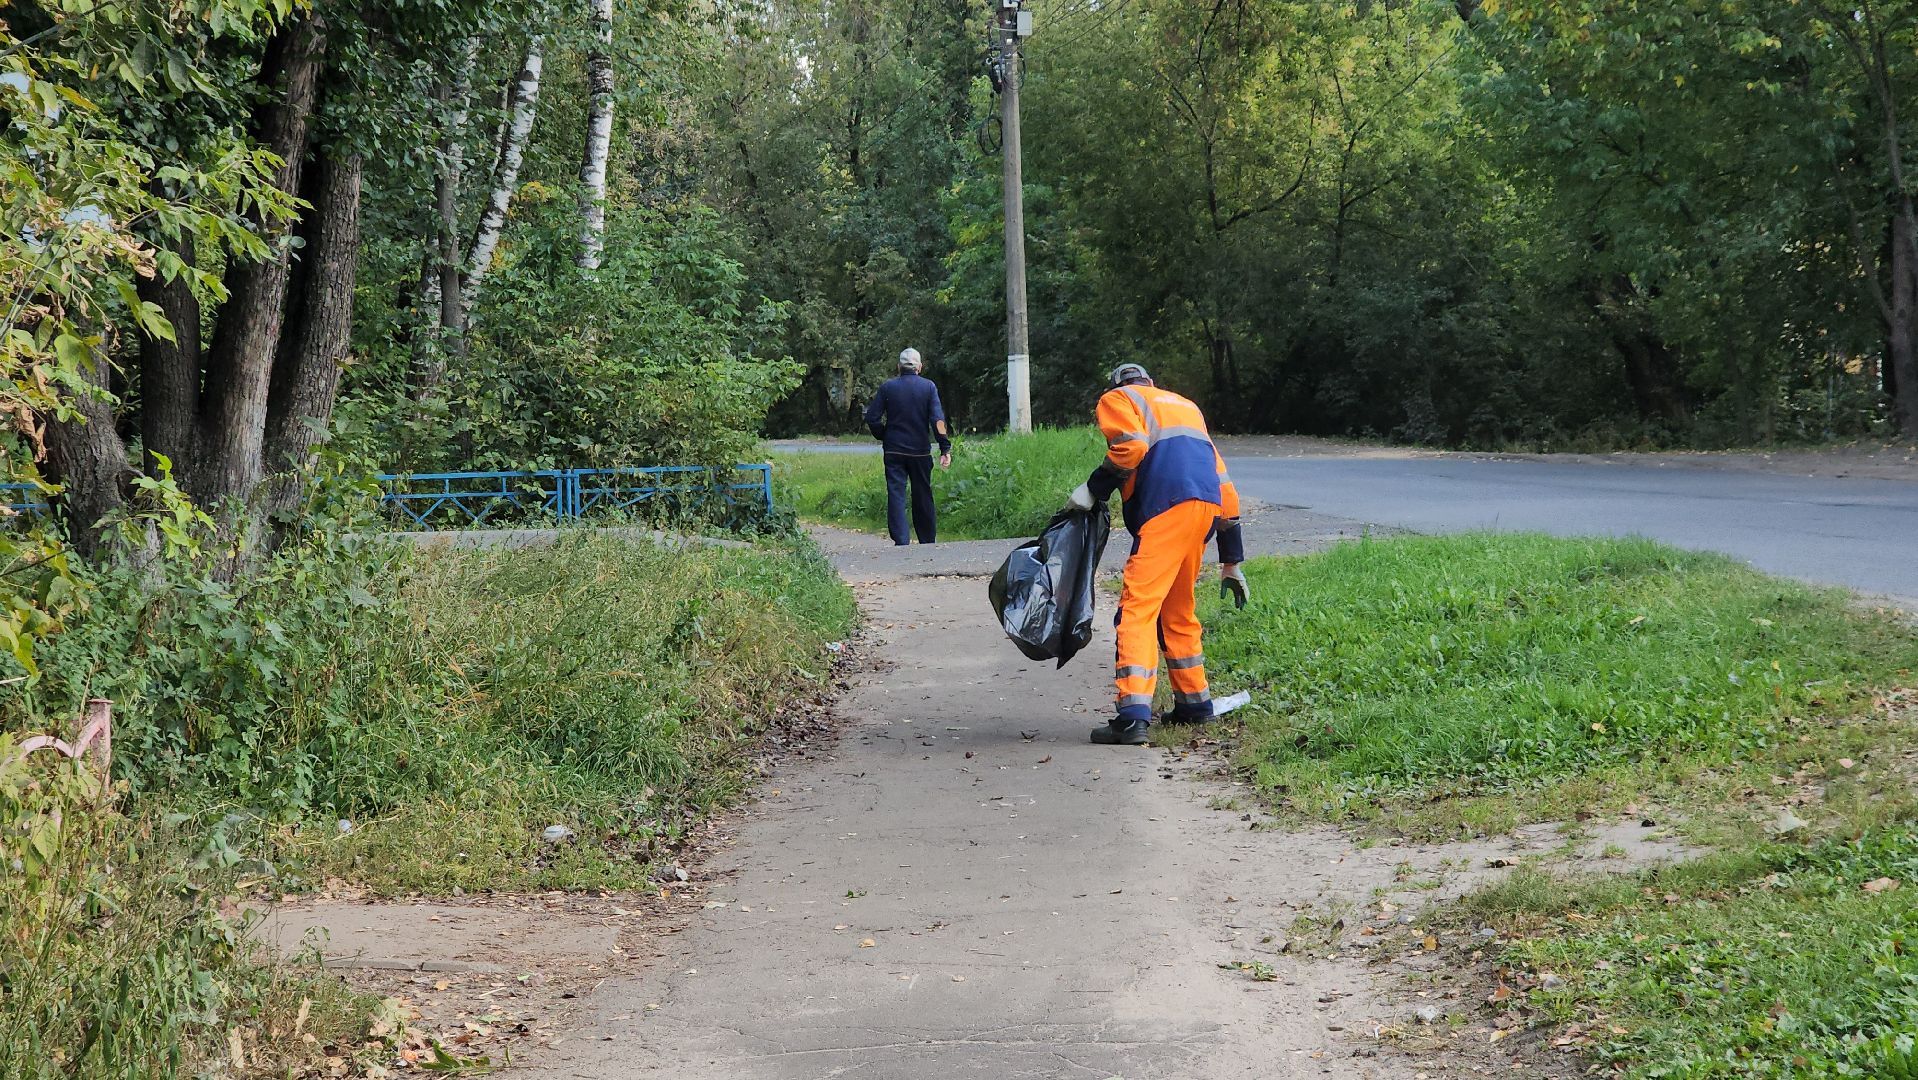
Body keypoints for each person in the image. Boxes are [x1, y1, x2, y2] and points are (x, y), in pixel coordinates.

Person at [1066, 362, 1249, 745]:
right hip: (1205, 511)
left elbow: (1131, 446)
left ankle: (1132, 717)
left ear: (1119, 385)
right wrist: (1231, 559)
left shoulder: (1118, 398)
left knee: (1138, 609)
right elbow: (1225, 485)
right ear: (1150, 382)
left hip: (1165, 508)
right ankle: (1195, 705)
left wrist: (1094, 488)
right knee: (1178, 611)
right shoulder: (1185, 406)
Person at [864, 347, 953, 546]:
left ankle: (902, 541)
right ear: (919, 367)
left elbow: (872, 417)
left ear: (899, 367)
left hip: (894, 449)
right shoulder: (929, 387)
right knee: (922, 494)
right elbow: (938, 420)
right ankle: (927, 540)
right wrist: (944, 447)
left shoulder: (888, 388)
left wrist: (883, 435)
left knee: (896, 493)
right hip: (920, 451)